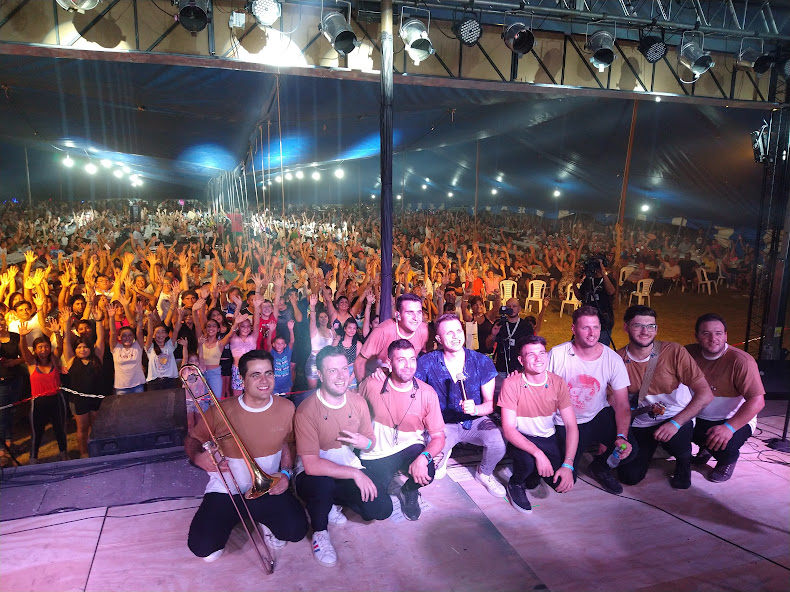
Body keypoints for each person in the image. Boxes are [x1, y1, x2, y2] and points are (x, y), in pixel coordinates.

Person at [185, 350, 308, 563]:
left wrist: (286, 473)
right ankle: (238, 518)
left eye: (269, 373)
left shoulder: (287, 408)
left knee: (295, 531)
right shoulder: (220, 409)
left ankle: (262, 519)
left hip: (265, 487)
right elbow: (192, 439)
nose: (264, 380)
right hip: (227, 491)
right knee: (202, 546)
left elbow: (288, 442)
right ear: (241, 380)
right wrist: (198, 457)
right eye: (255, 374)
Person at [293, 346, 379, 567]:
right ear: (320, 375)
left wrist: (365, 443)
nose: (341, 376)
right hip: (313, 476)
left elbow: (371, 442)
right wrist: (355, 474)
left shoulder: (358, 401)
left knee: (379, 508)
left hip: (345, 467)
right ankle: (320, 532)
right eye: (333, 371)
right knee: (321, 486)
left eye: (344, 369)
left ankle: (330, 503)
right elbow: (311, 466)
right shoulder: (306, 410)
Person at [616, 305, 714, 489]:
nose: (645, 332)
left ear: (657, 329)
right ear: (626, 327)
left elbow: (706, 393)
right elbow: (614, 404)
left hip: (675, 416)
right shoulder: (617, 359)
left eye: (651, 326)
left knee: (676, 439)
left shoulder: (674, 351)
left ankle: (684, 460)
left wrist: (675, 423)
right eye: (638, 326)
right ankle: (654, 447)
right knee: (629, 477)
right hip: (641, 421)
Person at [415, 314, 506, 496]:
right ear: (439, 339)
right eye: (449, 333)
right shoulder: (427, 362)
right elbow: (413, 392)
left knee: (499, 443)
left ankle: (484, 473)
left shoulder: (481, 361)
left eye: (458, 331)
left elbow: (490, 405)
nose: (456, 336)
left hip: (474, 421)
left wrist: (476, 409)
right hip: (442, 425)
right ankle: (444, 453)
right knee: (430, 473)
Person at [547, 306, 633, 495]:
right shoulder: (558, 354)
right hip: (564, 421)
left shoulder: (612, 358)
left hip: (596, 416)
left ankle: (601, 466)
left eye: (595, 327)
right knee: (560, 482)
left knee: (628, 450)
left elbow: (622, 404)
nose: (592, 333)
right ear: (573, 329)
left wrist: (622, 436)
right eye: (585, 327)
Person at [358, 339, 446, 521]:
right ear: (389, 364)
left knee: (428, 470)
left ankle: (409, 490)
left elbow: (438, 436)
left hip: (409, 448)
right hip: (376, 453)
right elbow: (352, 412)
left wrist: (424, 458)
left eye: (412, 359)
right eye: (401, 360)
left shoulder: (427, 393)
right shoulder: (372, 384)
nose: (408, 366)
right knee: (376, 511)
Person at [499, 336, 578, 514]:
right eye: (531, 354)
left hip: (548, 436)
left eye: (542, 353)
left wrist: (568, 464)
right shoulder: (511, 384)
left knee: (563, 482)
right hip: (522, 437)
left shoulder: (557, 382)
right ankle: (516, 482)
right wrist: (538, 453)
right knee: (527, 463)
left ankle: (534, 474)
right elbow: (509, 429)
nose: (538, 358)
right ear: (521, 360)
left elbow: (571, 425)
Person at [686, 313, 765, 482]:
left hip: (730, 419)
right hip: (698, 415)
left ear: (726, 335)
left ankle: (727, 461)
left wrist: (729, 428)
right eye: (706, 333)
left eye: (718, 333)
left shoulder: (741, 361)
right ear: (697, 336)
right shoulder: (688, 354)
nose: (713, 338)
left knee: (724, 444)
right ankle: (706, 448)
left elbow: (757, 401)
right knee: (672, 430)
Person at [18, 328, 68, 463]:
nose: (44, 350)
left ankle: (63, 453)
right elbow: (23, 350)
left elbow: (60, 346)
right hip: (38, 402)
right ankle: (33, 457)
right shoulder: (32, 364)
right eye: (40, 347)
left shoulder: (54, 360)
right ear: (35, 350)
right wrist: (22, 337)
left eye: (46, 347)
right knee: (37, 431)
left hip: (57, 399)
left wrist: (57, 334)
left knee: (60, 428)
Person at [354, 293, 428, 382]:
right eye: (410, 312)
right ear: (398, 315)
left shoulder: (424, 331)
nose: (416, 318)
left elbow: (429, 357)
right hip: (377, 377)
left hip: (402, 378)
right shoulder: (383, 331)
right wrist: (363, 388)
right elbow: (359, 363)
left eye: (419, 312)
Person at [62, 309, 106, 458]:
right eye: (79, 347)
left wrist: (99, 321)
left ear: (90, 348)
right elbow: (66, 341)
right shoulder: (71, 360)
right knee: (82, 427)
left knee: (96, 426)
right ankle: (84, 453)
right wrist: (66, 323)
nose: (82, 349)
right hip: (78, 400)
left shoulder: (97, 358)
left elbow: (100, 339)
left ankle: (97, 450)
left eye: (85, 347)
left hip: (96, 397)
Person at [486, 297, 533, 378]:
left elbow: (531, 347)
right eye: (509, 306)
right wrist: (493, 335)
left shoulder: (526, 326)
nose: (511, 308)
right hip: (501, 366)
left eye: (514, 306)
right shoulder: (499, 324)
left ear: (519, 309)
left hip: (519, 367)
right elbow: (488, 345)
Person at [574, 258, 616, 346]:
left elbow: (611, 291)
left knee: (602, 347)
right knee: (585, 345)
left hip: (603, 319)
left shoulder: (609, 279)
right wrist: (574, 284)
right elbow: (580, 297)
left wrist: (603, 272)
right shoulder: (588, 280)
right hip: (587, 318)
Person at [107, 302, 146, 395]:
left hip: (138, 385)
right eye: (124, 336)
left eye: (130, 335)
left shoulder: (137, 346)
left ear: (133, 337)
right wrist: (111, 317)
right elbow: (112, 332)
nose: (127, 338)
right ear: (119, 337)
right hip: (121, 387)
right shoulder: (116, 348)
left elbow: (139, 330)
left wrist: (140, 315)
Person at [0, 313, 23, 466]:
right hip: (0, 383)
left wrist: (15, 361)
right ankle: (3, 447)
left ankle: (9, 439)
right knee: (2, 414)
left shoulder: (15, 336)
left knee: (12, 412)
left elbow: (25, 356)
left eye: (1, 319)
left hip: (15, 379)